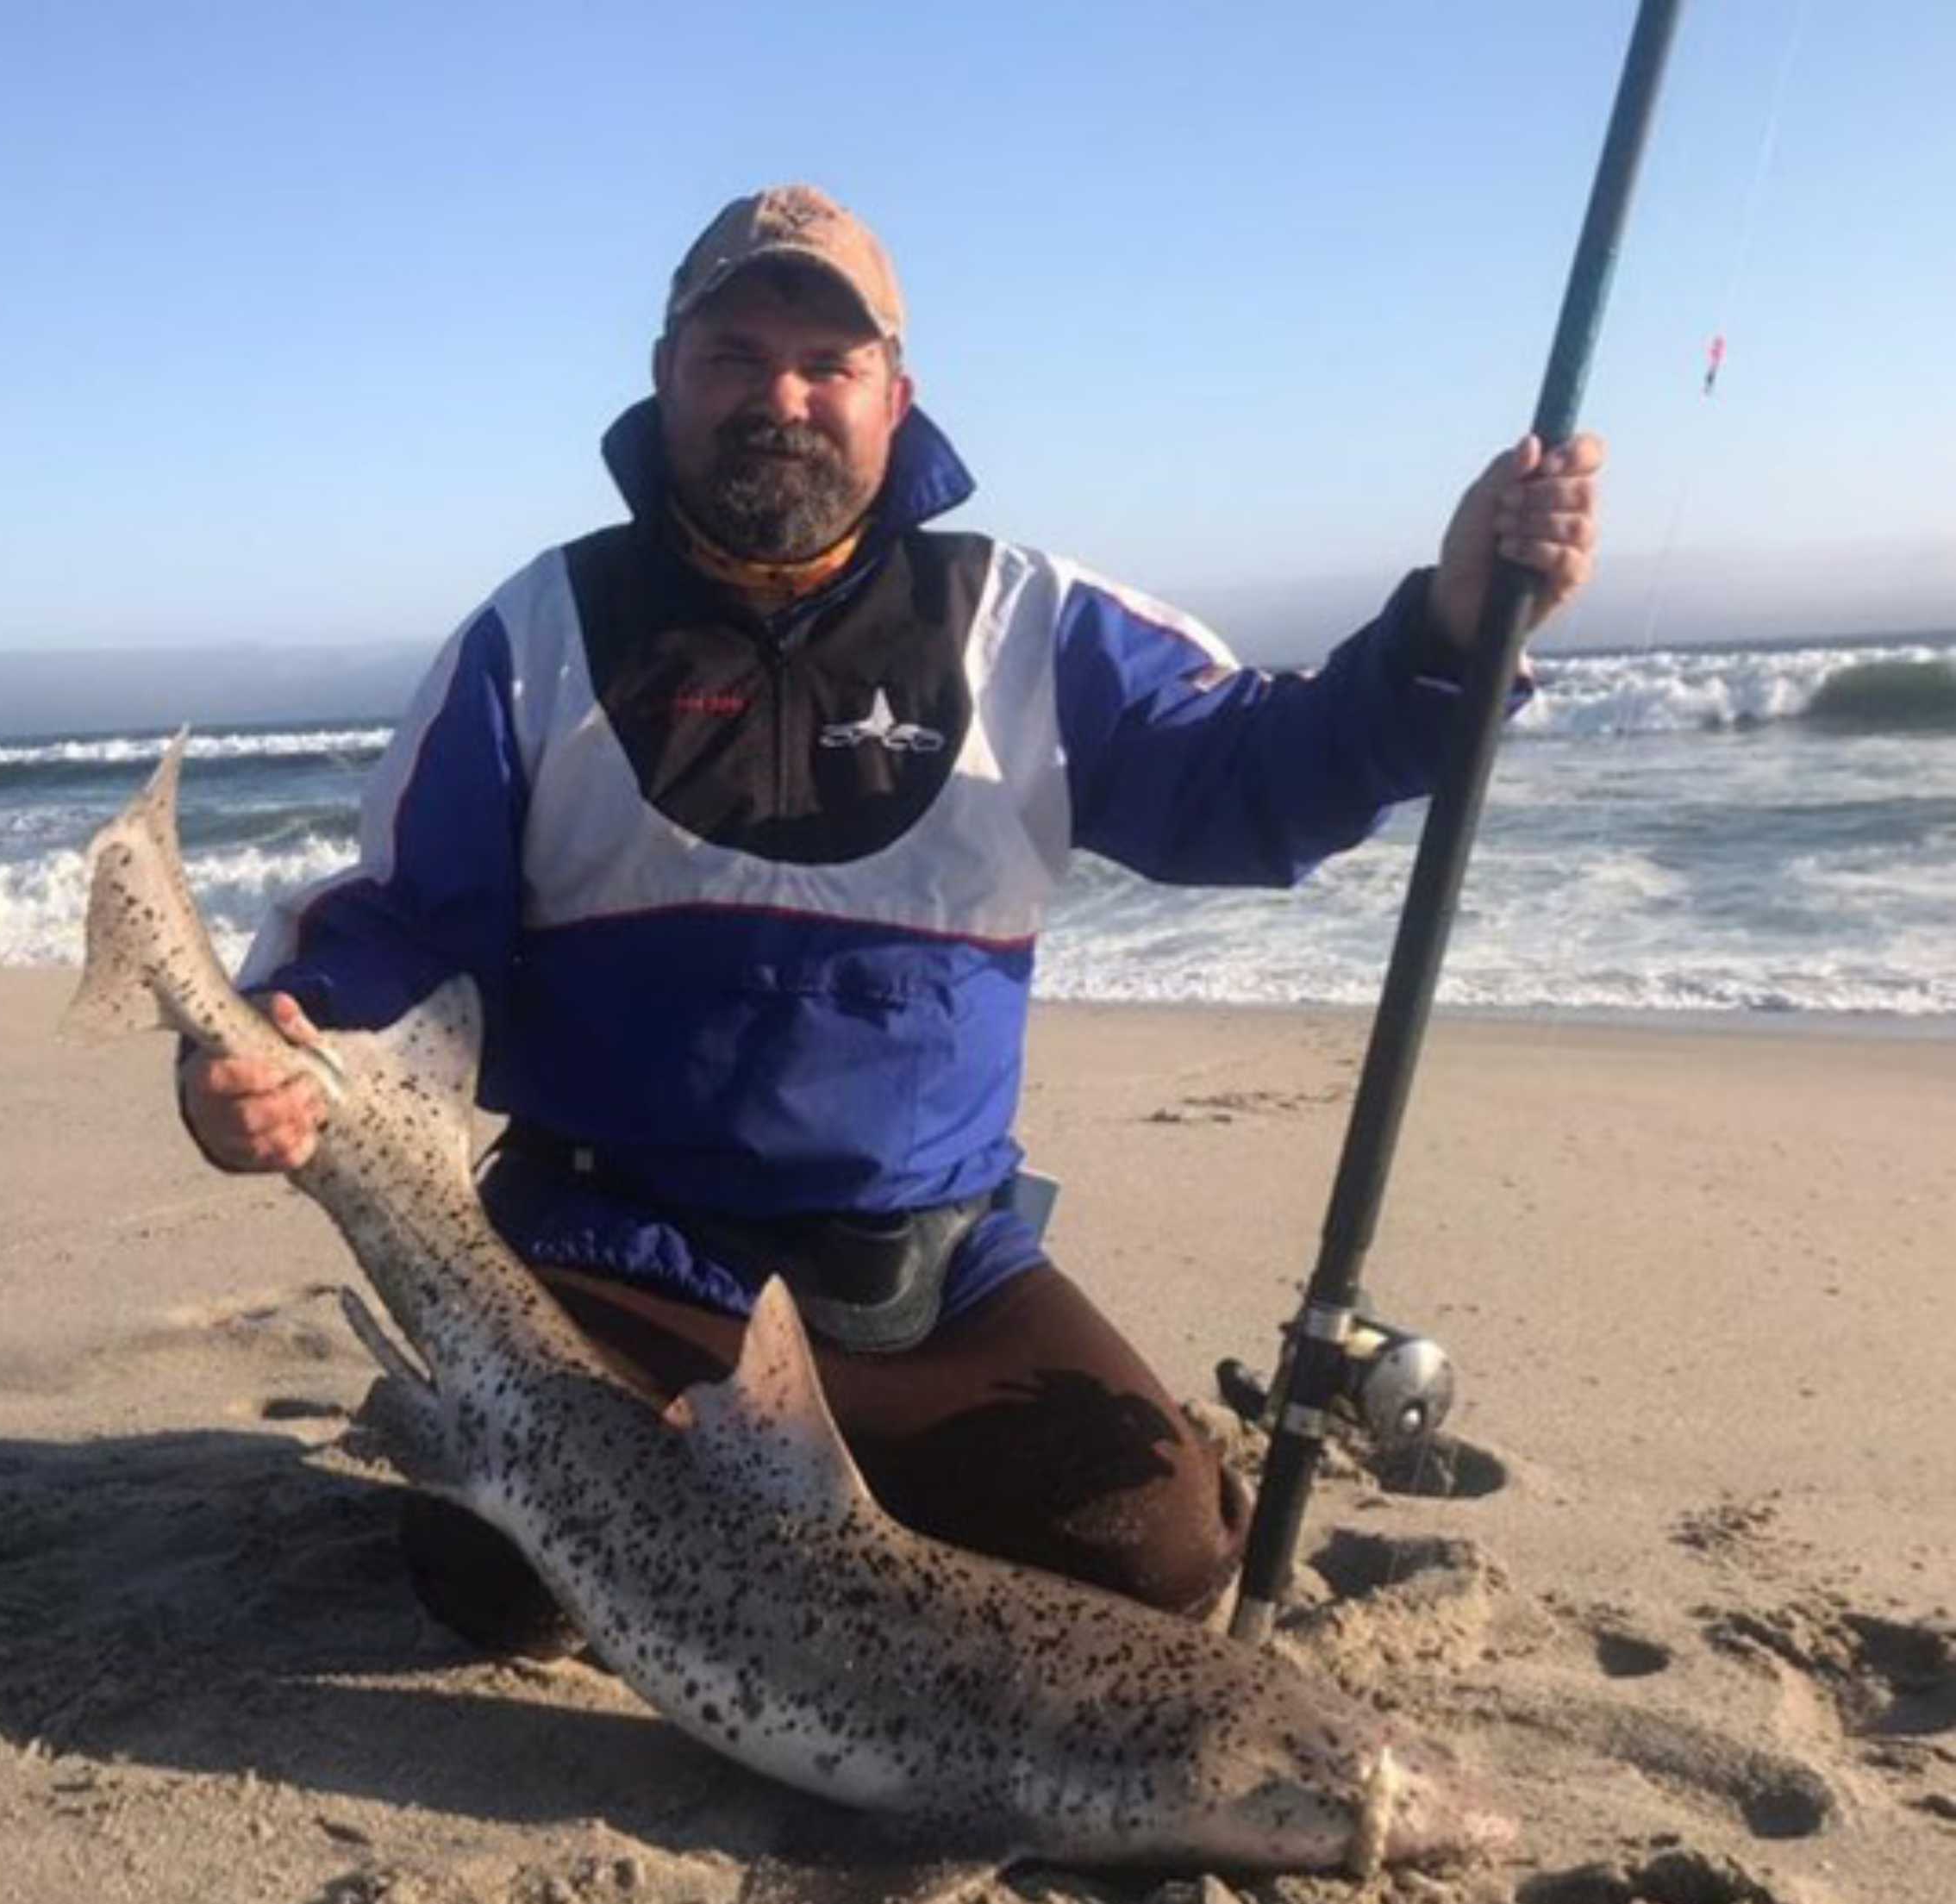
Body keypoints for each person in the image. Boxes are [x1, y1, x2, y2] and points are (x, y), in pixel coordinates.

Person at [181, 185, 1602, 1657]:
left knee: (1154, 1557)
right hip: (613, 1249)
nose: (779, 399)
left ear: (894, 396)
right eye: (734, 357)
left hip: (921, 1278)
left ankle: (828, 1491)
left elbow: (1257, 777)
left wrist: (1446, 630)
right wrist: (280, 1052)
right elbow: (400, 924)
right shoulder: (533, 635)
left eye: (827, 364)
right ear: (666, 377)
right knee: (499, 1578)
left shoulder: (1025, 622)